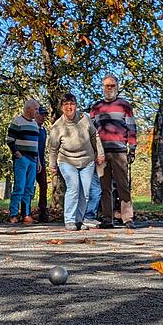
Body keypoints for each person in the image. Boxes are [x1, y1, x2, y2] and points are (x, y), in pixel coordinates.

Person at [47, 93, 105, 231]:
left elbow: (94, 135)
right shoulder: (57, 127)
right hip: (66, 161)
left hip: (87, 160)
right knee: (73, 186)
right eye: (66, 104)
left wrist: (100, 152)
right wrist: (52, 164)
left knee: (85, 191)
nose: (69, 107)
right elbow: (53, 149)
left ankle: (79, 220)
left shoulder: (84, 118)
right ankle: (69, 220)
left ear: (76, 105)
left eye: (72, 103)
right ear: (61, 107)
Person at [90, 74, 137, 229]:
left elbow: (131, 127)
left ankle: (127, 218)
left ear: (117, 87)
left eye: (112, 85)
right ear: (102, 87)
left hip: (120, 151)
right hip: (101, 153)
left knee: (123, 185)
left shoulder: (124, 106)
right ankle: (107, 219)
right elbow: (91, 131)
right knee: (105, 187)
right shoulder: (96, 107)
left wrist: (132, 148)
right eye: (106, 86)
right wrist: (93, 152)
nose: (109, 88)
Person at [6, 99, 41, 224]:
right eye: (36, 109)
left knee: (29, 188)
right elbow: (10, 139)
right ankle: (13, 214)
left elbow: (36, 144)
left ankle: (26, 213)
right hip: (22, 158)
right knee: (19, 187)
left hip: (33, 159)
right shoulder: (17, 121)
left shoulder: (35, 124)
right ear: (29, 108)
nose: (37, 112)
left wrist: (38, 161)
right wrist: (17, 154)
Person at [34, 106, 50, 222]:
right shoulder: (31, 128)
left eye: (45, 115)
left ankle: (43, 212)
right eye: (41, 114)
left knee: (44, 186)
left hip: (42, 162)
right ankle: (25, 212)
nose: (43, 117)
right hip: (31, 161)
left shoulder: (44, 130)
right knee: (28, 187)